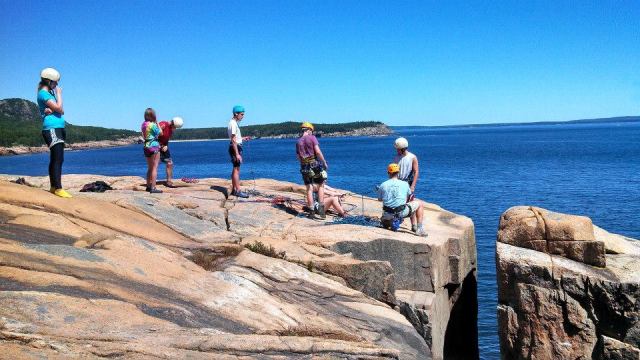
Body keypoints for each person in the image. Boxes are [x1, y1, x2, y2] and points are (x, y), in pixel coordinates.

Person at [37, 67, 71, 198]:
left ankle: (53, 186)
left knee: (56, 158)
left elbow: (59, 110)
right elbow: (60, 109)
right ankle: (58, 188)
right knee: (58, 158)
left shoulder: (48, 94)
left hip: (57, 128)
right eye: (55, 82)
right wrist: (59, 94)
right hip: (52, 129)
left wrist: (55, 109)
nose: (56, 85)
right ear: (49, 81)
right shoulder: (44, 93)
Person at [377, 163, 427, 236]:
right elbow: (409, 197)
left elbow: (380, 199)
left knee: (387, 217)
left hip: (387, 214)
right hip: (401, 213)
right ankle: (419, 229)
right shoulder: (405, 184)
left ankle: (388, 221)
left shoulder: (383, 185)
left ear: (388, 173)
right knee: (420, 204)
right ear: (398, 172)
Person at [296, 122, 328, 219]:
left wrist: (304, 164)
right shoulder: (312, 138)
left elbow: (298, 157)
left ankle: (311, 212)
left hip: (304, 166)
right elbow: (317, 152)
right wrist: (324, 162)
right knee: (321, 186)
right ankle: (321, 211)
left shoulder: (298, 142)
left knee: (309, 189)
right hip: (315, 165)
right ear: (309, 129)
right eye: (312, 131)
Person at [393, 137, 420, 232]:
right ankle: (397, 221)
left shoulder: (412, 157)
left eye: (398, 149)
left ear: (403, 148)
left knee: (410, 203)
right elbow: (394, 172)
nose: (396, 150)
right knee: (397, 203)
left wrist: (413, 186)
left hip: (408, 183)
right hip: (398, 182)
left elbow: (416, 172)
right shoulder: (396, 157)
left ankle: (414, 225)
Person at [228, 105, 249, 198]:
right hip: (234, 148)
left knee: (235, 169)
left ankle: (234, 189)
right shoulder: (233, 123)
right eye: (241, 114)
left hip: (235, 147)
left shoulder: (234, 123)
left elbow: (236, 138)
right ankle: (238, 191)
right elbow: (233, 139)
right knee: (237, 170)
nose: (243, 116)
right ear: (236, 114)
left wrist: (243, 138)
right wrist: (237, 154)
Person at [141, 108, 163, 193]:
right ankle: (153, 188)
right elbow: (161, 133)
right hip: (154, 146)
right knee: (154, 168)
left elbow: (143, 135)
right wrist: (157, 123)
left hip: (146, 146)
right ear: (153, 115)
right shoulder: (152, 125)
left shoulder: (143, 124)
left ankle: (148, 186)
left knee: (149, 168)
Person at [158, 116, 184, 187]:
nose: (175, 129)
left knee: (169, 163)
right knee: (155, 164)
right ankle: (151, 182)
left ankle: (169, 181)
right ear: (173, 124)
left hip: (163, 147)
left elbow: (166, 139)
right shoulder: (163, 124)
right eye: (175, 127)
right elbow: (153, 136)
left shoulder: (170, 130)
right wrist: (160, 145)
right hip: (155, 146)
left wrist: (166, 145)